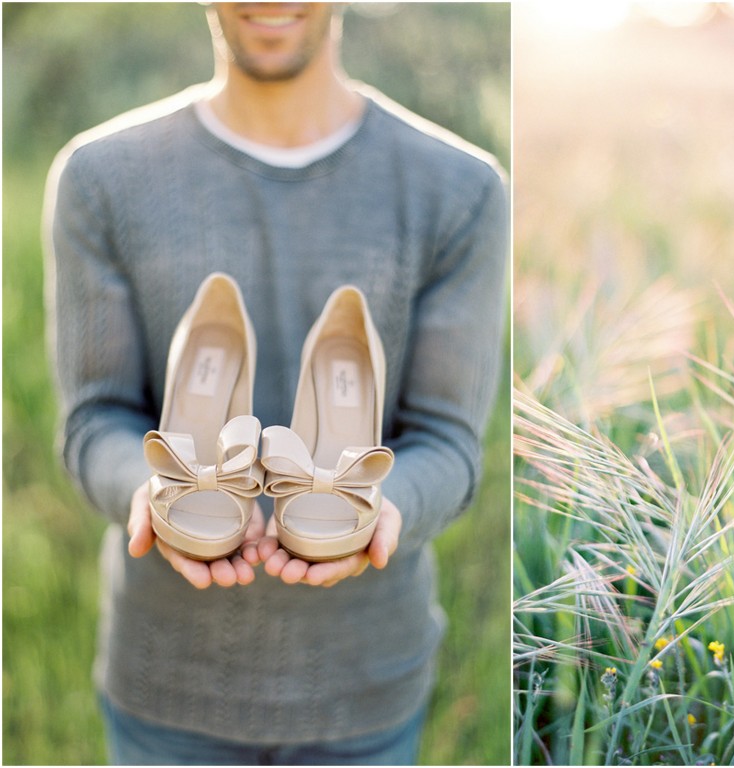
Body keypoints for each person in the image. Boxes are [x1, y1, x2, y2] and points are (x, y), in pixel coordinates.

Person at [43, 3, 508, 764]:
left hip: (366, 692)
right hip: (165, 689)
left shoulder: (462, 190)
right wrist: (144, 493)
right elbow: (94, 419)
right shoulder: (101, 178)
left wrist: (388, 511)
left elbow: (449, 440)